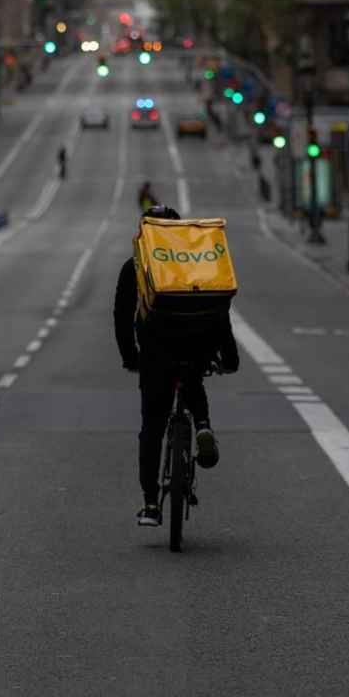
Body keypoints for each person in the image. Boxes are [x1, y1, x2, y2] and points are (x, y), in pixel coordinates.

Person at [113, 205, 240, 527]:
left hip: (156, 356)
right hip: (199, 347)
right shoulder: (197, 263)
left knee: (152, 429)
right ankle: (202, 425)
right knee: (193, 379)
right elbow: (220, 310)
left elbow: (122, 317)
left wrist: (131, 357)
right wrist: (229, 357)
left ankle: (152, 504)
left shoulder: (136, 266)